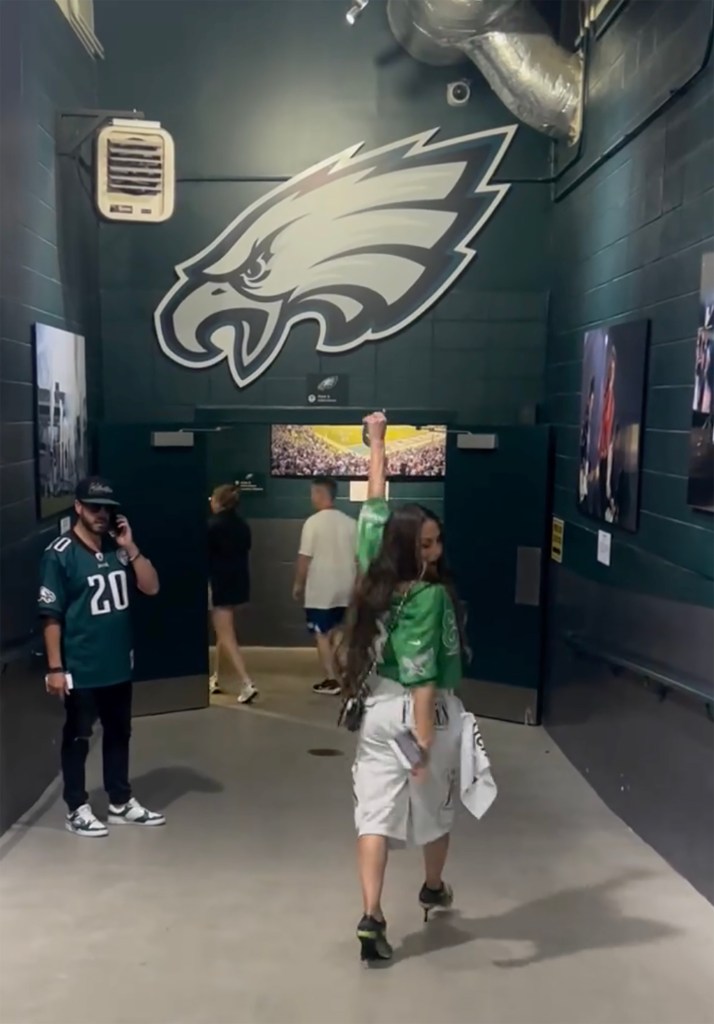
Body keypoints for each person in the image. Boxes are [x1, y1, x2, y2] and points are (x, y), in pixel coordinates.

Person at [341, 412, 466, 963]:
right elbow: (423, 678)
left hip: (374, 710)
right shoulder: (428, 597)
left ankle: (371, 912)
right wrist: (421, 746)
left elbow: (373, 497)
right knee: (433, 808)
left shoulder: (374, 565)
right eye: (430, 543)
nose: (435, 551)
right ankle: (433, 886)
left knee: (373, 816)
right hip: (420, 714)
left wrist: (377, 441)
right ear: (414, 547)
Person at [38, 477, 165, 838]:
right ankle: (76, 807)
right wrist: (55, 668)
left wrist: (131, 546)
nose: (101, 515)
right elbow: (51, 615)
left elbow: (152, 587)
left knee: (119, 733)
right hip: (81, 666)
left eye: (106, 509)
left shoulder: (117, 549)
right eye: (93, 508)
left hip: (118, 665)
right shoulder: (59, 553)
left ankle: (120, 801)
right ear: (78, 507)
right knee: (78, 736)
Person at [293, 476, 357, 696]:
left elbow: (304, 558)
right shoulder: (351, 523)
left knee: (321, 635)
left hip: (321, 591)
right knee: (339, 634)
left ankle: (331, 679)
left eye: (313, 493)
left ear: (321, 493)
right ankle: (348, 676)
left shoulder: (312, 523)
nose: (311, 498)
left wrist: (298, 584)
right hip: (346, 589)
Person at [207, 483, 257, 704]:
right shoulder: (243, 525)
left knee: (226, 634)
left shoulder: (211, 526)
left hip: (219, 585)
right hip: (239, 583)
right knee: (223, 632)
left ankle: (247, 682)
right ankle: (215, 677)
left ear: (218, 502)